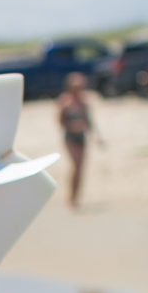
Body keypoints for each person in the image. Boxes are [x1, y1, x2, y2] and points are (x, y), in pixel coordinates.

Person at [56, 72, 99, 208]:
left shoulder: (84, 102)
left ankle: (76, 198)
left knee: (80, 168)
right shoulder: (65, 101)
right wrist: (73, 126)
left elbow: (89, 121)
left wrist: (96, 136)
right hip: (70, 137)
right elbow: (60, 121)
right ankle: (70, 198)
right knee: (75, 167)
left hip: (82, 137)